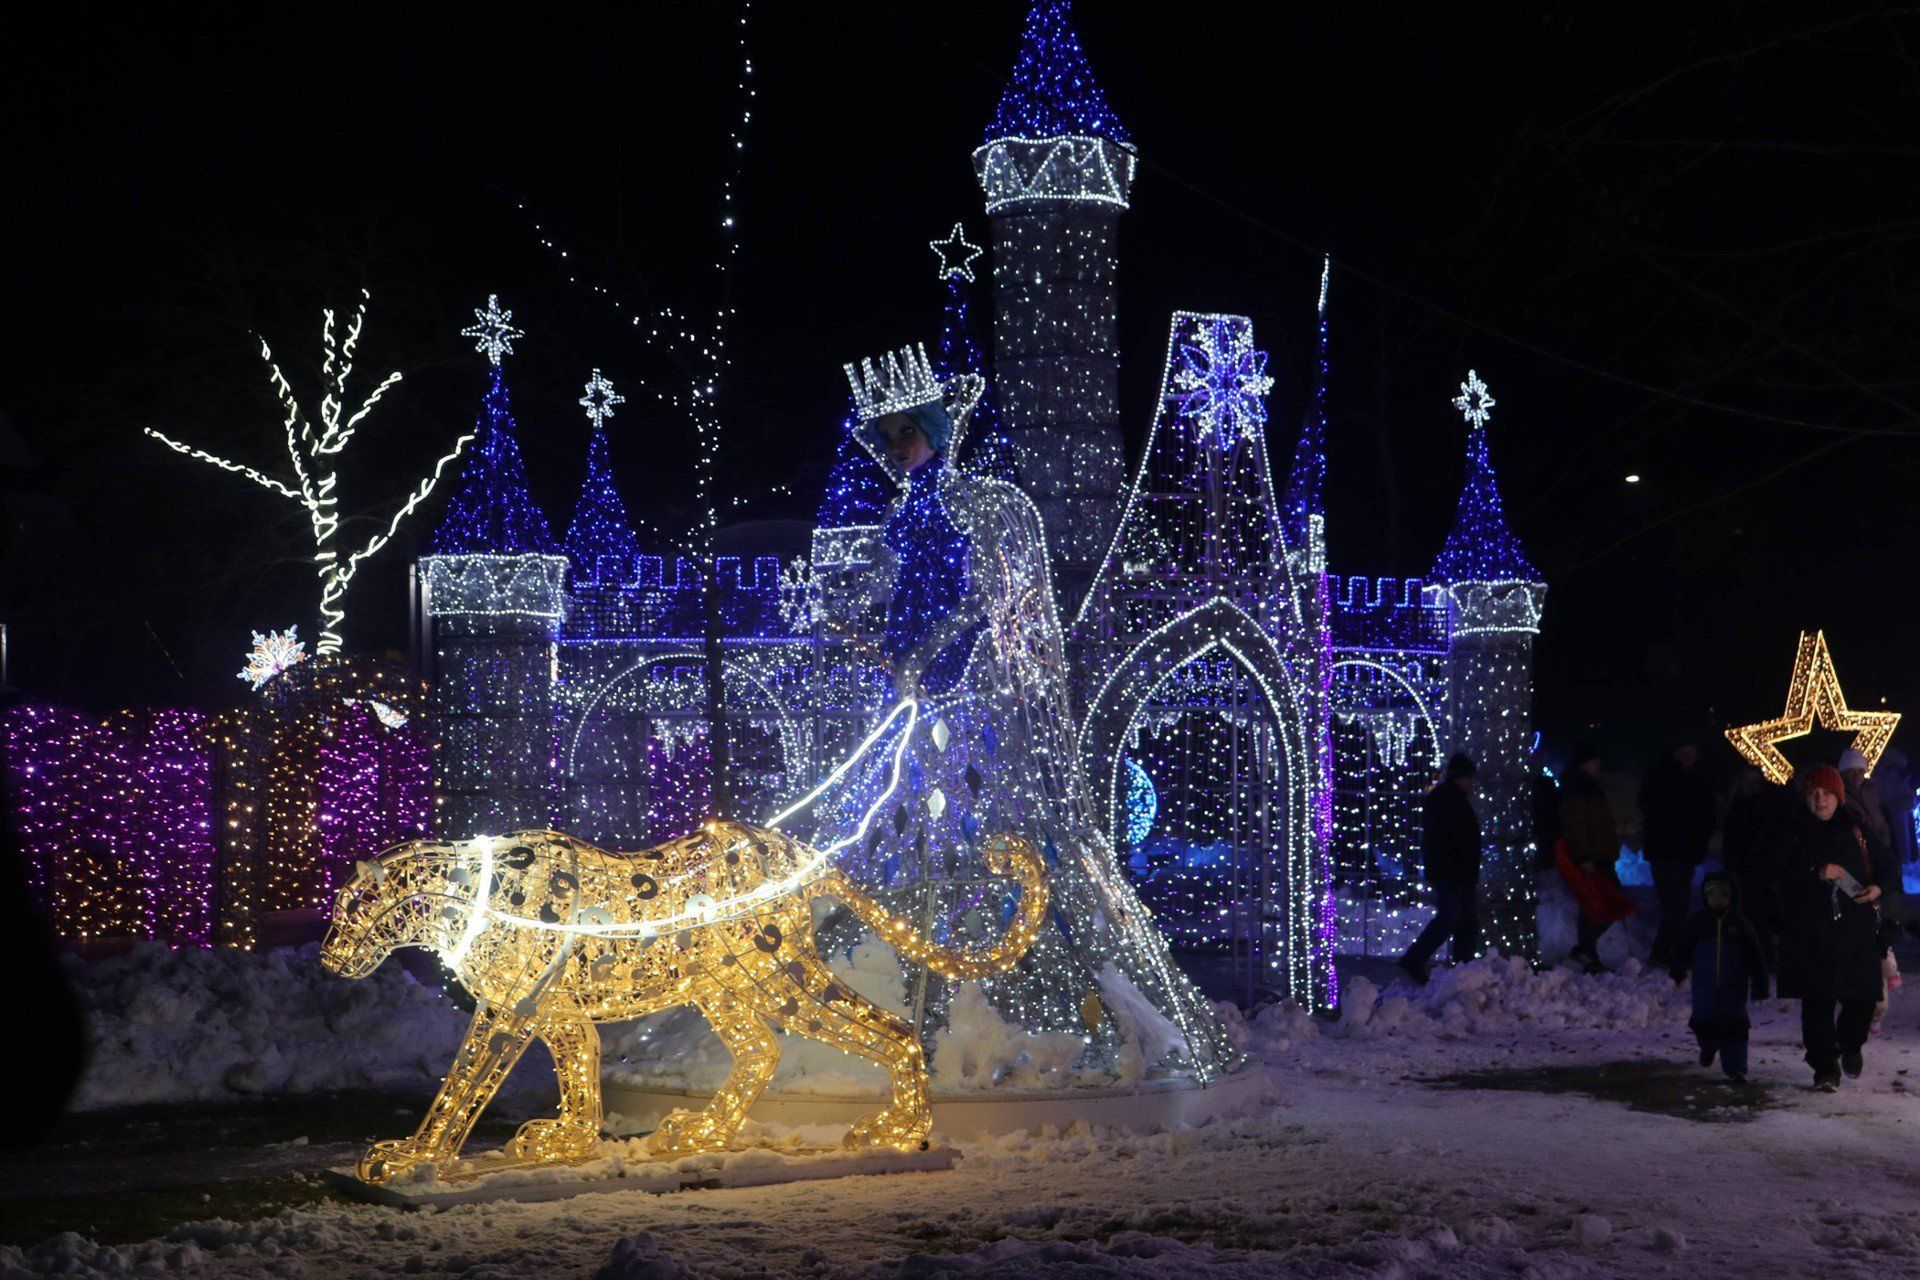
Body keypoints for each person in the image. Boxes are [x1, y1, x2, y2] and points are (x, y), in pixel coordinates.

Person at [1776, 765, 1894, 1091]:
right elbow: (1776, 876)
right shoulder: (1793, 831)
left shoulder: (1858, 830)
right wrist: (1815, 872)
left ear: (1838, 796)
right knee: (1817, 1002)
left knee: (1862, 999)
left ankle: (1850, 1044)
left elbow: (1889, 868)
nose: (1820, 800)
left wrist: (1878, 889)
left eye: (1827, 793)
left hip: (1855, 930)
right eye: (1814, 793)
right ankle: (1825, 1068)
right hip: (1811, 931)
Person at [1669, 870, 1768, 1083]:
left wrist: (1760, 983)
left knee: (1734, 1024)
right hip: (1704, 984)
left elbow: (1755, 955)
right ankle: (1709, 1045)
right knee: (1703, 1020)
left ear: (1732, 897)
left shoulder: (1740, 924)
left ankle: (1736, 1068)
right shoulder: (1699, 923)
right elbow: (1683, 948)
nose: (1717, 899)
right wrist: (1677, 968)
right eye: (1711, 894)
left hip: (1733, 985)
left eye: (1722, 895)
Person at [1399, 752, 1483, 985]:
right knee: (1452, 917)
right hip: (1453, 872)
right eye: (1470, 778)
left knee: (1464, 919)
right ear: (1462, 777)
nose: (1473, 783)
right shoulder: (1448, 799)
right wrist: (1457, 868)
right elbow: (1450, 840)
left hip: (1456, 872)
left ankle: (1461, 966)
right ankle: (1417, 958)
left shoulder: (1449, 798)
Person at [1639, 743, 1717, 968]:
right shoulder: (1660, 775)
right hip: (1664, 851)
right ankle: (1678, 952)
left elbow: (1707, 814)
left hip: (1685, 852)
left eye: (1692, 751)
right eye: (1683, 751)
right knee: (1673, 903)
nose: (1687, 756)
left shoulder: (1699, 780)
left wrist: (1700, 837)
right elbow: (1648, 806)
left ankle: (1661, 952)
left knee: (1678, 903)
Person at [1561, 742, 1621, 972]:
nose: (1598, 764)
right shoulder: (1578, 788)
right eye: (1594, 760)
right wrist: (1584, 855)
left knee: (1602, 904)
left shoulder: (1588, 786)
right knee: (1602, 904)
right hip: (1592, 858)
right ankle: (1585, 949)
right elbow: (1575, 824)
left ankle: (1586, 949)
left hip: (1600, 855)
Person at [1720, 765, 1786, 969]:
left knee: (1760, 914)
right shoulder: (1734, 805)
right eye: (1747, 780)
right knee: (1745, 913)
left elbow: (1772, 838)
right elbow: (1729, 839)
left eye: (1754, 781)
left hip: (1761, 870)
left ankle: (1764, 957)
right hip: (1741, 869)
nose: (1750, 785)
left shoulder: (1767, 806)